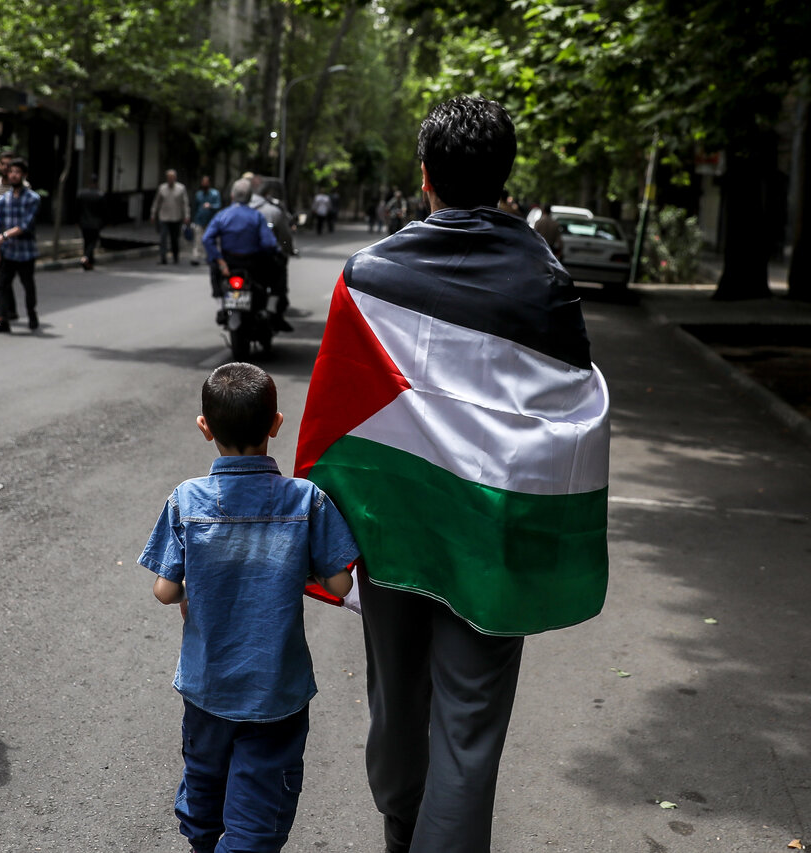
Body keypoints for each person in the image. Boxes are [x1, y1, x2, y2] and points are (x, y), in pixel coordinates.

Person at [294, 96, 609, 853]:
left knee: (397, 707)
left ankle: (401, 834)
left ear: (425, 174)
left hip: (395, 533)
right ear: (506, 180)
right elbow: (569, 418)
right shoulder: (547, 283)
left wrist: (330, 535)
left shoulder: (369, 276)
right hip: (493, 545)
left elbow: (337, 415)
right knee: (467, 730)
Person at [138, 362, 359, 853]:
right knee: (257, 817)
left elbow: (165, 591)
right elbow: (341, 580)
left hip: (206, 688)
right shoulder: (307, 500)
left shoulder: (186, 499)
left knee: (204, 791)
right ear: (276, 424)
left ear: (205, 428)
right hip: (275, 693)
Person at [201, 179, 280, 306]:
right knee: (277, 268)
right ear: (250, 197)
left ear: (232, 196)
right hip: (252, 264)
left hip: (228, 263)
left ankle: (219, 301)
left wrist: (221, 262)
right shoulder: (257, 216)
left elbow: (206, 239)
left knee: (212, 263)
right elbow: (269, 243)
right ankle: (271, 308)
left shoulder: (222, 215)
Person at [0, 157, 41, 333]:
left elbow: (26, 225)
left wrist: (4, 236)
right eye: (11, 172)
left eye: (17, 172)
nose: (14, 175)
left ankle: (32, 313)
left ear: (24, 175)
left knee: (28, 286)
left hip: (25, 251)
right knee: (3, 286)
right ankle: (3, 320)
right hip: (8, 251)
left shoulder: (33, 198)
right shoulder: (3, 199)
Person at [247, 176, 296, 332]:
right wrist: (285, 250)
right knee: (279, 274)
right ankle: (272, 310)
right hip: (263, 260)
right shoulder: (272, 210)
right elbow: (283, 238)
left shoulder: (231, 211)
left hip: (236, 260)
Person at [150, 169, 190, 264]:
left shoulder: (181, 188)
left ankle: (175, 256)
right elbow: (156, 202)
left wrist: (187, 216)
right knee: (163, 237)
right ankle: (163, 257)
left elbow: (185, 203)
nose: (171, 179)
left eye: (172, 177)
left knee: (174, 239)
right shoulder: (162, 188)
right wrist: (153, 214)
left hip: (176, 217)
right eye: (169, 177)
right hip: (164, 217)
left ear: (175, 178)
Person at [190, 175, 222, 266]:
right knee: (198, 240)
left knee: (210, 240)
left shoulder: (215, 193)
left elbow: (218, 205)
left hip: (211, 222)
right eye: (203, 182)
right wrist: (192, 220)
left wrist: (210, 206)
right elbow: (194, 207)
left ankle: (210, 257)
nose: (204, 184)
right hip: (199, 220)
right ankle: (196, 257)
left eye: (206, 182)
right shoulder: (198, 194)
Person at [76, 174, 105, 271]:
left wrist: (77, 221)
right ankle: (86, 258)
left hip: (84, 223)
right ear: (97, 183)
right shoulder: (100, 195)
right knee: (92, 242)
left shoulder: (81, 194)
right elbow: (103, 211)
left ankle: (89, 264)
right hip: (95, 224)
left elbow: (77, 209)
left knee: (87, 242)